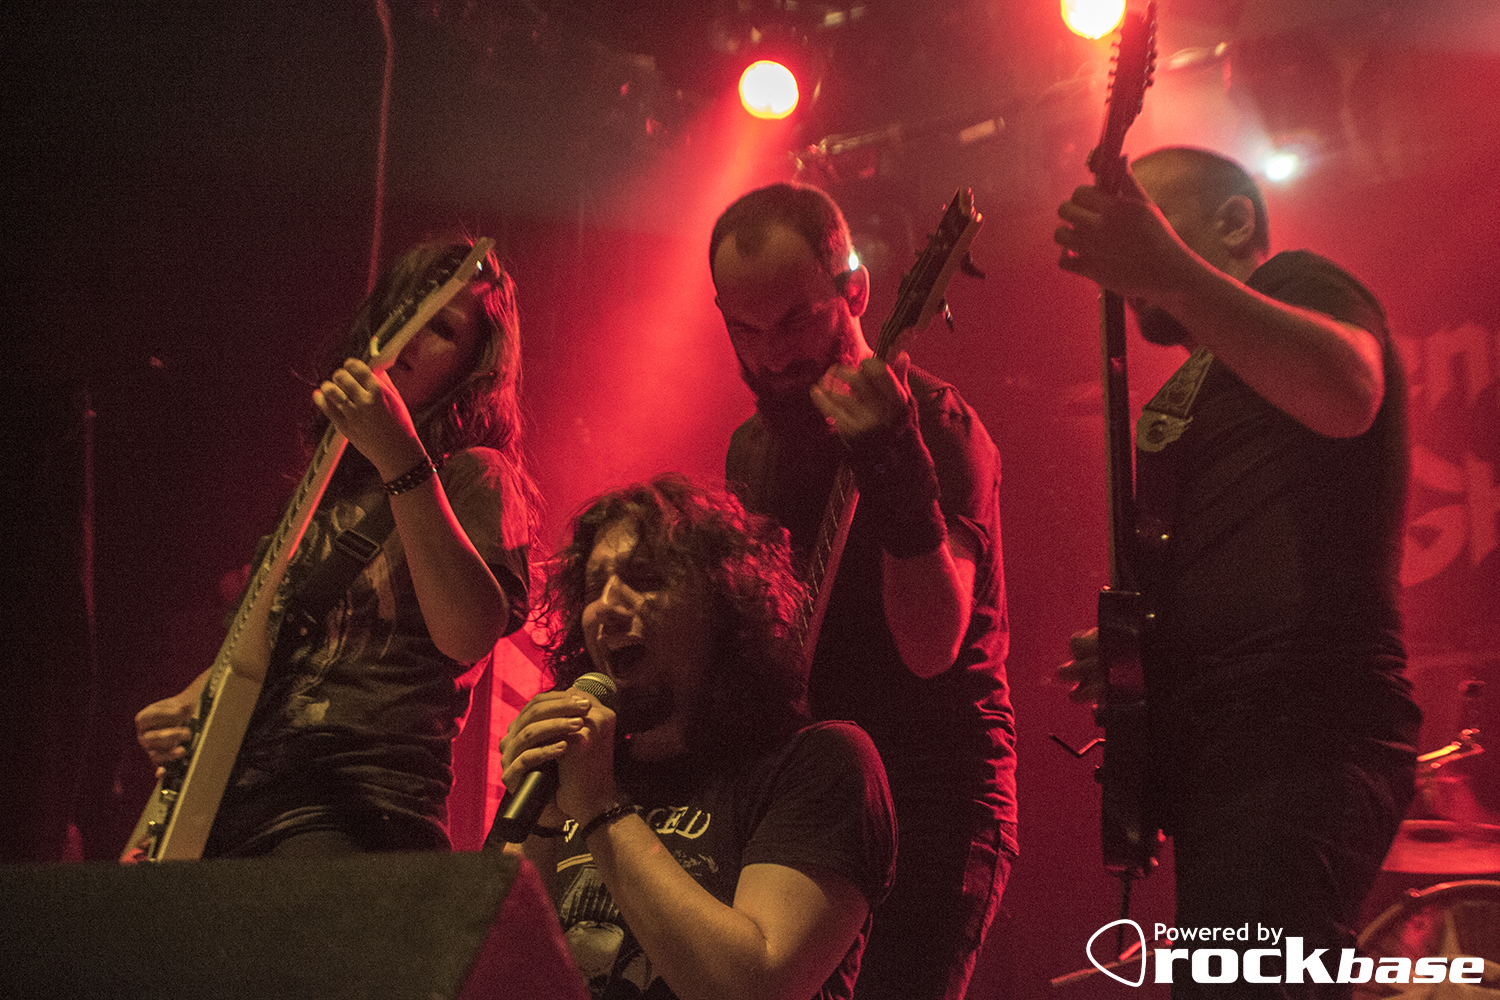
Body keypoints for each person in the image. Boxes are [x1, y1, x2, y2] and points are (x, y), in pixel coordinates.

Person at [1054, 147, 1421, 998]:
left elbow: (1347, 390)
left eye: (1155, 220)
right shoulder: (1205, 383)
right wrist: (1149, 648)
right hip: (1231, 747)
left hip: (1304, 726)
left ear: (1233, 222)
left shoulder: (1300, 283)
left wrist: (1170, 271)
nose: (1133, 253)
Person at [709, 183, 1017, 1000]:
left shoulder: (940, 428)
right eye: (745, 330)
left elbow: (931, 645)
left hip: (931, 799)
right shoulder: (752, 449)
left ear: (855, 291)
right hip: (811, 794)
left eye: (795, 321)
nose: (772, 356)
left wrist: (891, 462)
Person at [134, 240, 537, 857]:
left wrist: (401, 456)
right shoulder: (320, 491)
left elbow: (467, 634)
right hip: (233, 806)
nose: (411, 337)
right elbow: (281, 641)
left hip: (358, 807)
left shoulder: (474, 472)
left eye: (443, 330)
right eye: (408, 310)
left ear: (473, 367)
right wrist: (197, 702)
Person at [501, 475, 896, 1000]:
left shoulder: (817, 764)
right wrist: (541, 826)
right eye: (593, 589)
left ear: (722, 606)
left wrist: (600, 811)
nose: (607, 608)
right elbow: (491, 977)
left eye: (644, 579)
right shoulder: (571, 775)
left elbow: (755, 987)